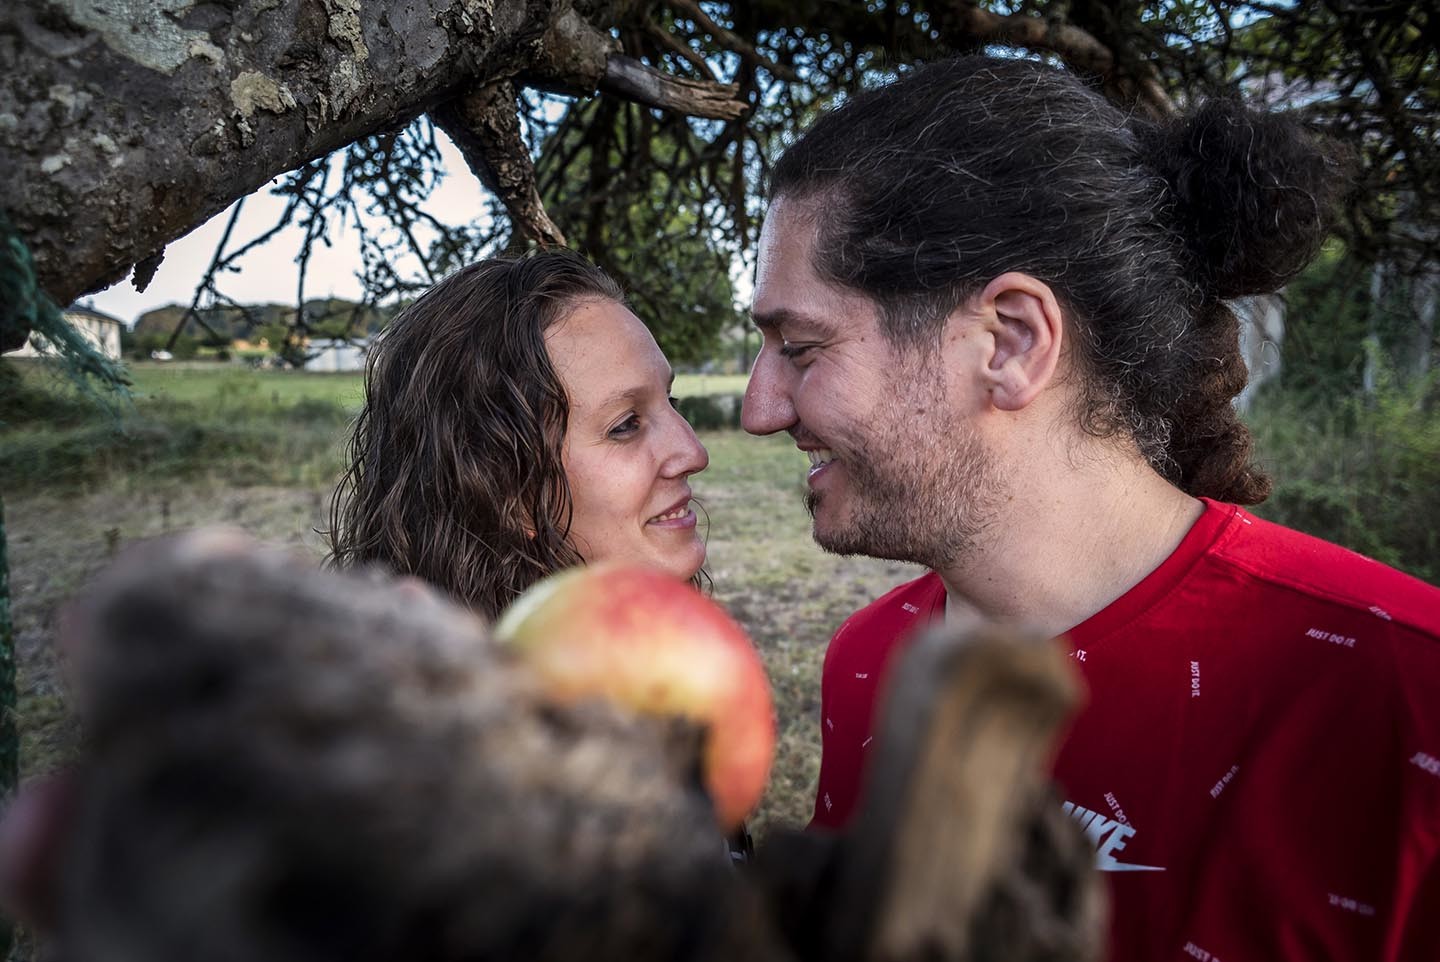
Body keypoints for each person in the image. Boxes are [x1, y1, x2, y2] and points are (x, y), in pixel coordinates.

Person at [741, 55, 1440, 961]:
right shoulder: (869, 666)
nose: (759, 410)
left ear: (1012, 342)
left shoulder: (1403, 693)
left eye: (799, 347)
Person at [327, 248, 710, 620]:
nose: (693, 453)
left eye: (670, 399)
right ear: (504, 488)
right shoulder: (457, 684)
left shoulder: (661, 668)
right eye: (625, 424)